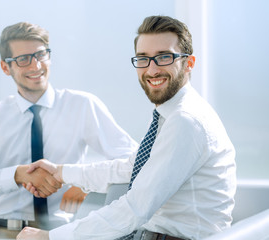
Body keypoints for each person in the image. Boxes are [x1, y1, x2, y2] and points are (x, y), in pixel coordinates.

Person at [17, 15, 236, 240]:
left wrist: (50, 238)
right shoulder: (171, 116)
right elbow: (130, 169)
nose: (152, 70)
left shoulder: (186, 121)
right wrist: (61, 172)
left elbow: (135, 208)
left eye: (164, 57)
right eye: (143, 59)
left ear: (188, 63)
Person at [0, 22, 137, 239]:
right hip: (2, 231)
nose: (36, 66)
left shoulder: (82, 106)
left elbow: (132, 158)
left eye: (41, 55)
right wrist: (17, 174)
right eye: (23, 59)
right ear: (6, 67)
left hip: (59, 231)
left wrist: (87, 184)